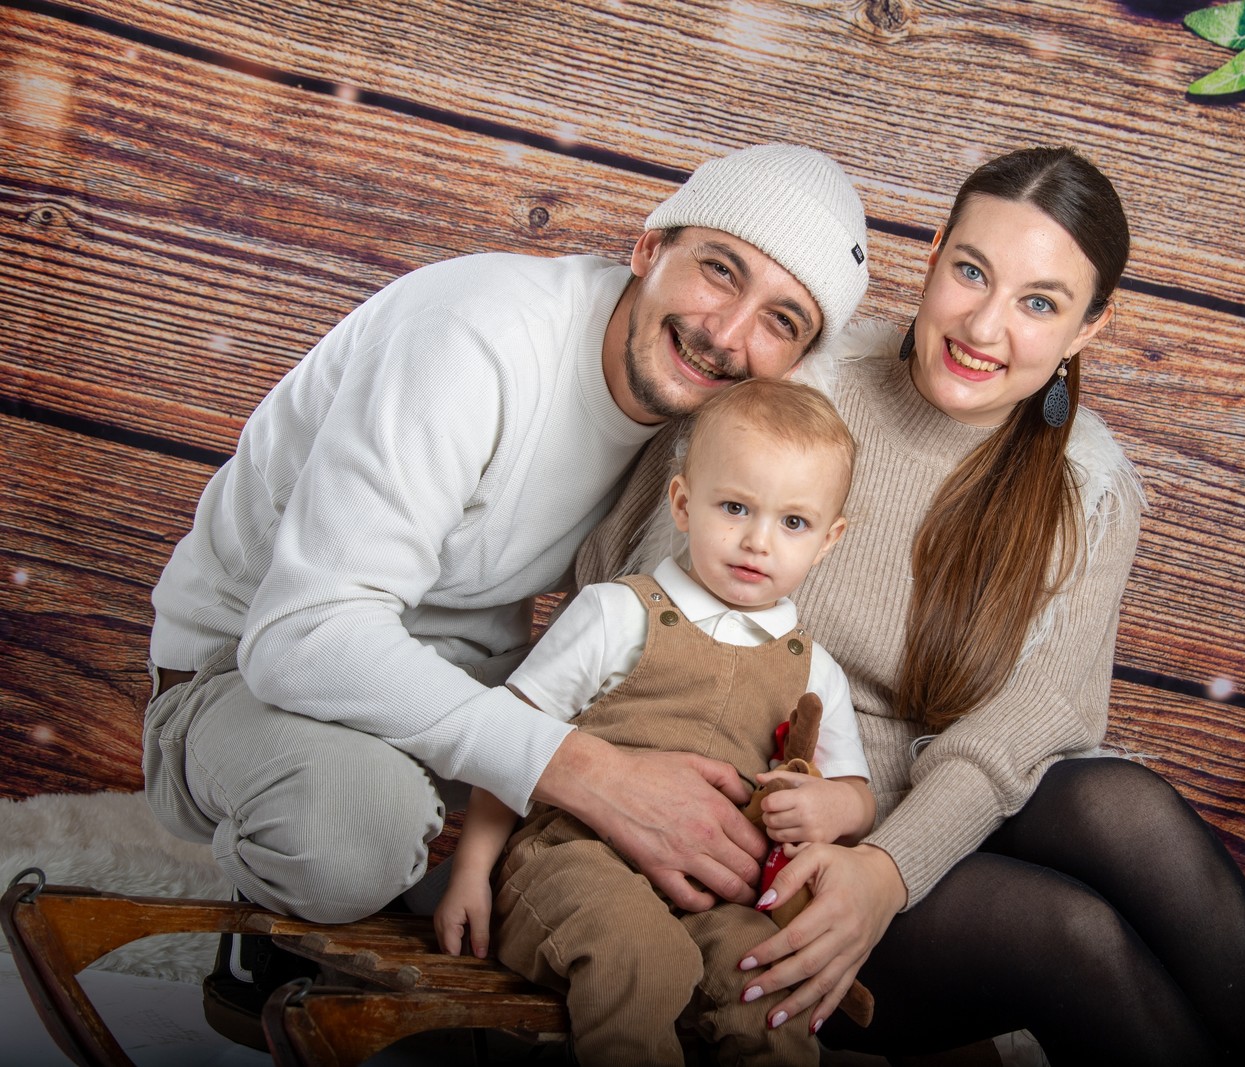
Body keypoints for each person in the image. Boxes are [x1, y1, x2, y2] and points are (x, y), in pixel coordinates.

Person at [578, 146, 1245, 1065]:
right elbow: (627, 588)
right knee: (1072, 934)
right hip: (755, 824)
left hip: (923, 829)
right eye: (972, 271)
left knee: (1120, 803)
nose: (984, 325)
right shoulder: (797, 390)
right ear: (932, 255)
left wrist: (888, 867)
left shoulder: (1086, 489)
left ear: (1089, 328)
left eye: (1039, 303)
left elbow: (1030, 726)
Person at [139, 143, 869, 1038]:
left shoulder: (703, 431)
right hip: (247, 676)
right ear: (649, 247)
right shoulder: (476, 334)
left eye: (782, 320)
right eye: (720, 270)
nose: (727, 332)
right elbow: (303, 635)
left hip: (464, 692)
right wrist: (591, 773)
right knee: (358, 830)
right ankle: (278, 913)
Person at [434, 378, 873, 1066]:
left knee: (768, 985)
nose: (757, 541)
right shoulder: (618, 613)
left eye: (793, 523)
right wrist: (470, 870)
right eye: (735, 507)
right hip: (571, 863)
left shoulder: (814, 669)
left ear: (827, 540)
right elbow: (512, 739)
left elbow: (858, 796)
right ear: (682, 503)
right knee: (642, 955)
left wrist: (835, 804)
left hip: (719, 896)